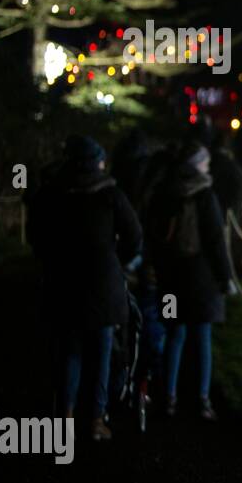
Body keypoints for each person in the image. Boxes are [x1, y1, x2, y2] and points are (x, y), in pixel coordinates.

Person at [25, 135, 142, 440]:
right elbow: (134, 235)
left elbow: (35, 233)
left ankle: (64, 417)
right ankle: (96, 420)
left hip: (64, 283)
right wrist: (118, 261)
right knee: (102, 352)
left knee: (70, 352)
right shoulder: (111, 194)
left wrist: (49, 260)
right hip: (104, 285)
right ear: (97, 161)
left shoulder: (52, 193)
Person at [148, 141, 234, 420]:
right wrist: (225, 278)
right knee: (202, 337)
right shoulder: (205, 195)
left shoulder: (164, 191)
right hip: (201, 277)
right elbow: (215, 240)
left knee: (175, 334)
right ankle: (202, 399)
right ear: (197, 165)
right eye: (205, 162)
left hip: (171, 276)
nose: (208, 167)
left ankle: (169, 397)